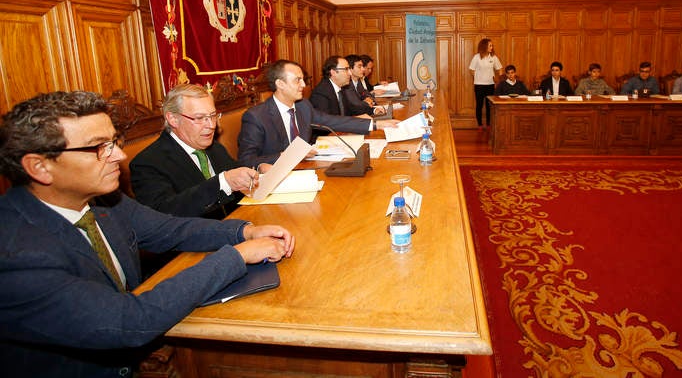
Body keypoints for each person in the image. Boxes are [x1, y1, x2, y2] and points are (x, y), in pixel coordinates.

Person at [0, 90, 295, 377]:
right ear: (39, 167)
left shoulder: (102, 199)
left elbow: (170, 228)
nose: (118, 155)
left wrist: (243, 231)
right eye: (98, 147)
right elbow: (127, 321)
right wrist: (235, 257)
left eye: (114, 141)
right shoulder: (15, 254)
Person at [129, 84, 262, 219]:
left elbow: (236, 176)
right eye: (199, 118)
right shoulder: (147, 164)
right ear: (173, 119)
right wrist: (222, 183)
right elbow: (164, 214)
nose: (211, 125)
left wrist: (259, 172)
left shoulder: (215, 148)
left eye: (213, 115)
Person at [238, 59, 398, 167]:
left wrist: (376, 124)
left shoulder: (303, 106)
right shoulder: (256, 116)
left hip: (306, 170)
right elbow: (246, 161)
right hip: (276, 180)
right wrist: (286, 155)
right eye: (297, 80)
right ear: (280, 84)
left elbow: (334, 121)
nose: (303, 85)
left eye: (303, 79)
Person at [310, 56, 385, 117]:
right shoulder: (321, 93)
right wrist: (355, 120)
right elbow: (327, 122)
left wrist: (374, 110)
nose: (350, 73)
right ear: (333, 72)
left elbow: (351, 109)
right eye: (346, 69)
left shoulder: (341, 87)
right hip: (329, 134)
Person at [469, 38, 502, 129]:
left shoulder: (493, 57)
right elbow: (471, 70)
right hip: (479, 85)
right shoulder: (477, 57)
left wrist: (498, 78)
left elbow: (499, 68)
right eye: (490, 45)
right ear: (484, 46)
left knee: (489, 106)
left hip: (490, 85)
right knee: (479, 105)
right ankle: (479, 124)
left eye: (492, 45)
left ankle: (488, 124)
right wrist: (477, 77)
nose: (492, 47)